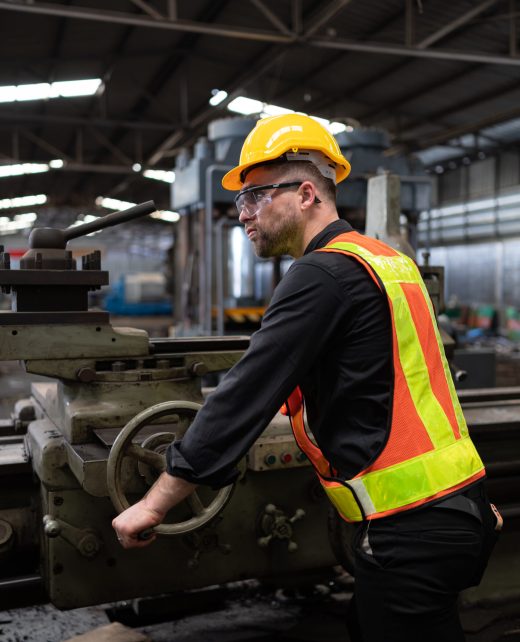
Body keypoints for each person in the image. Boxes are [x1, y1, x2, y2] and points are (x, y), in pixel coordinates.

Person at [113, 114, 500, 642]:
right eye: (240, 202)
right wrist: (468, 502)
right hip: (456, 511)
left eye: (255, 197)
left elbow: (246, 392)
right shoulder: (391, 262)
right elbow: (412, 384)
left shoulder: (320, 274)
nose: (243, 214)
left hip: (410, 529)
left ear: (305, 193)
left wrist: (155, 502)